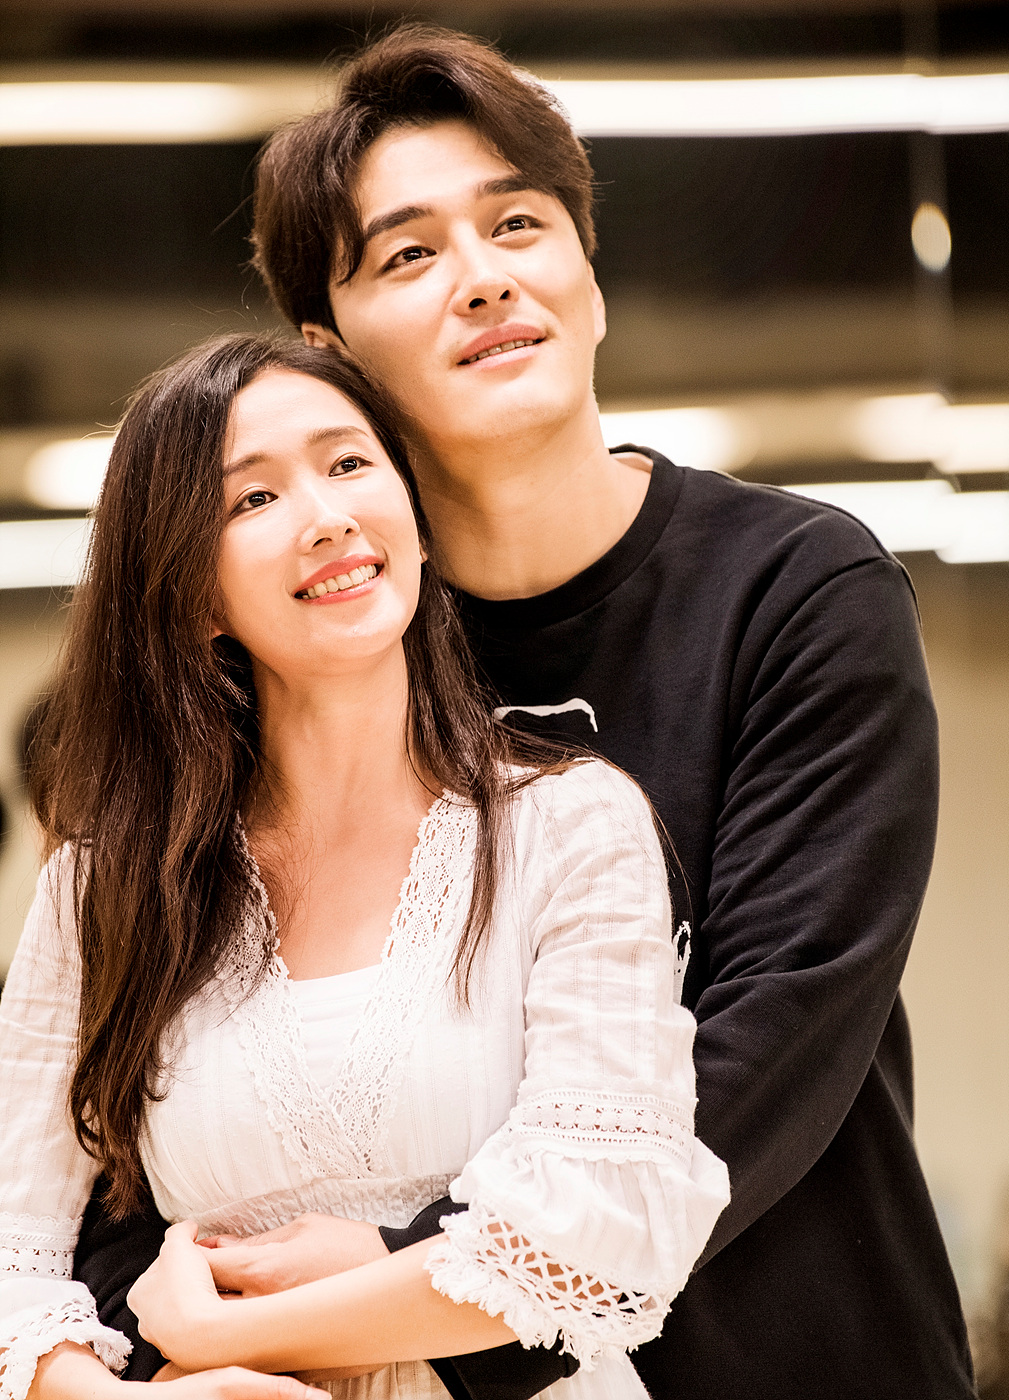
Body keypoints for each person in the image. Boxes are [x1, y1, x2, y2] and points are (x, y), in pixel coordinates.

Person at [73, 21, 973, 1399]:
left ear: (589, 278)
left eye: (518, 224)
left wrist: (395, 1279)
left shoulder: (798, 590)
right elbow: (135, 1092)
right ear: (329, 352)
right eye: (409, 254)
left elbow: (766, 1055)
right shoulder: (326, 641)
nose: (484, 276)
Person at [0, 332, 728, 1400]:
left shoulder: (572, 824)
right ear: (194, 594)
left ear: (415, 522)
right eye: (253, 498)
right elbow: (10, 1243)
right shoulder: (100, 887)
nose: (327, 515)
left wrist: (222, 1332)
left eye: (348, 463)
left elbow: (600, 1226)